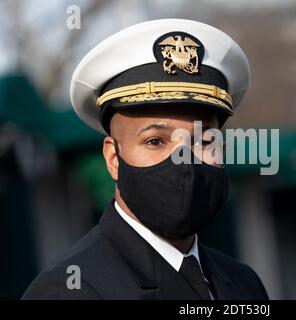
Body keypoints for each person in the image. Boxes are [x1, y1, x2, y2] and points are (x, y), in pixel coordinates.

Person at [22, 19, 268, 300]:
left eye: (203, 141)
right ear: (114, 158)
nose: (183, 162)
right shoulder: (68, 291)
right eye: (155, 141)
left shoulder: (244, 282)